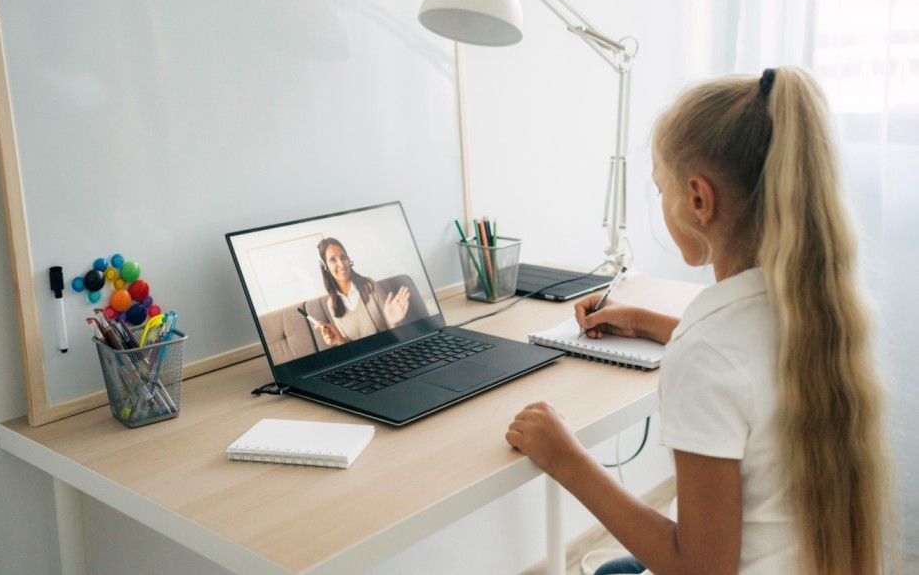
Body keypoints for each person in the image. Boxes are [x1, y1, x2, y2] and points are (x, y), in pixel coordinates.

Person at [505, 67, 892, 574]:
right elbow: (747, 364)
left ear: (698, 199)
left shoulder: (707, 355)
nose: (662, 205)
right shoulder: (814, 306)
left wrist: (565, 459)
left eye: (661, 188)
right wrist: (647, 321)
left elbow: (700, 570)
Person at [312, 237, 411, 346]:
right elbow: (349, 349)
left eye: (343, 257)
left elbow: (394, 332)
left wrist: (393, 323)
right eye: (333, 259)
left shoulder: (369, 285)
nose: (341, 264)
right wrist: (339, 339)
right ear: (325, 267)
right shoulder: (332, 304)